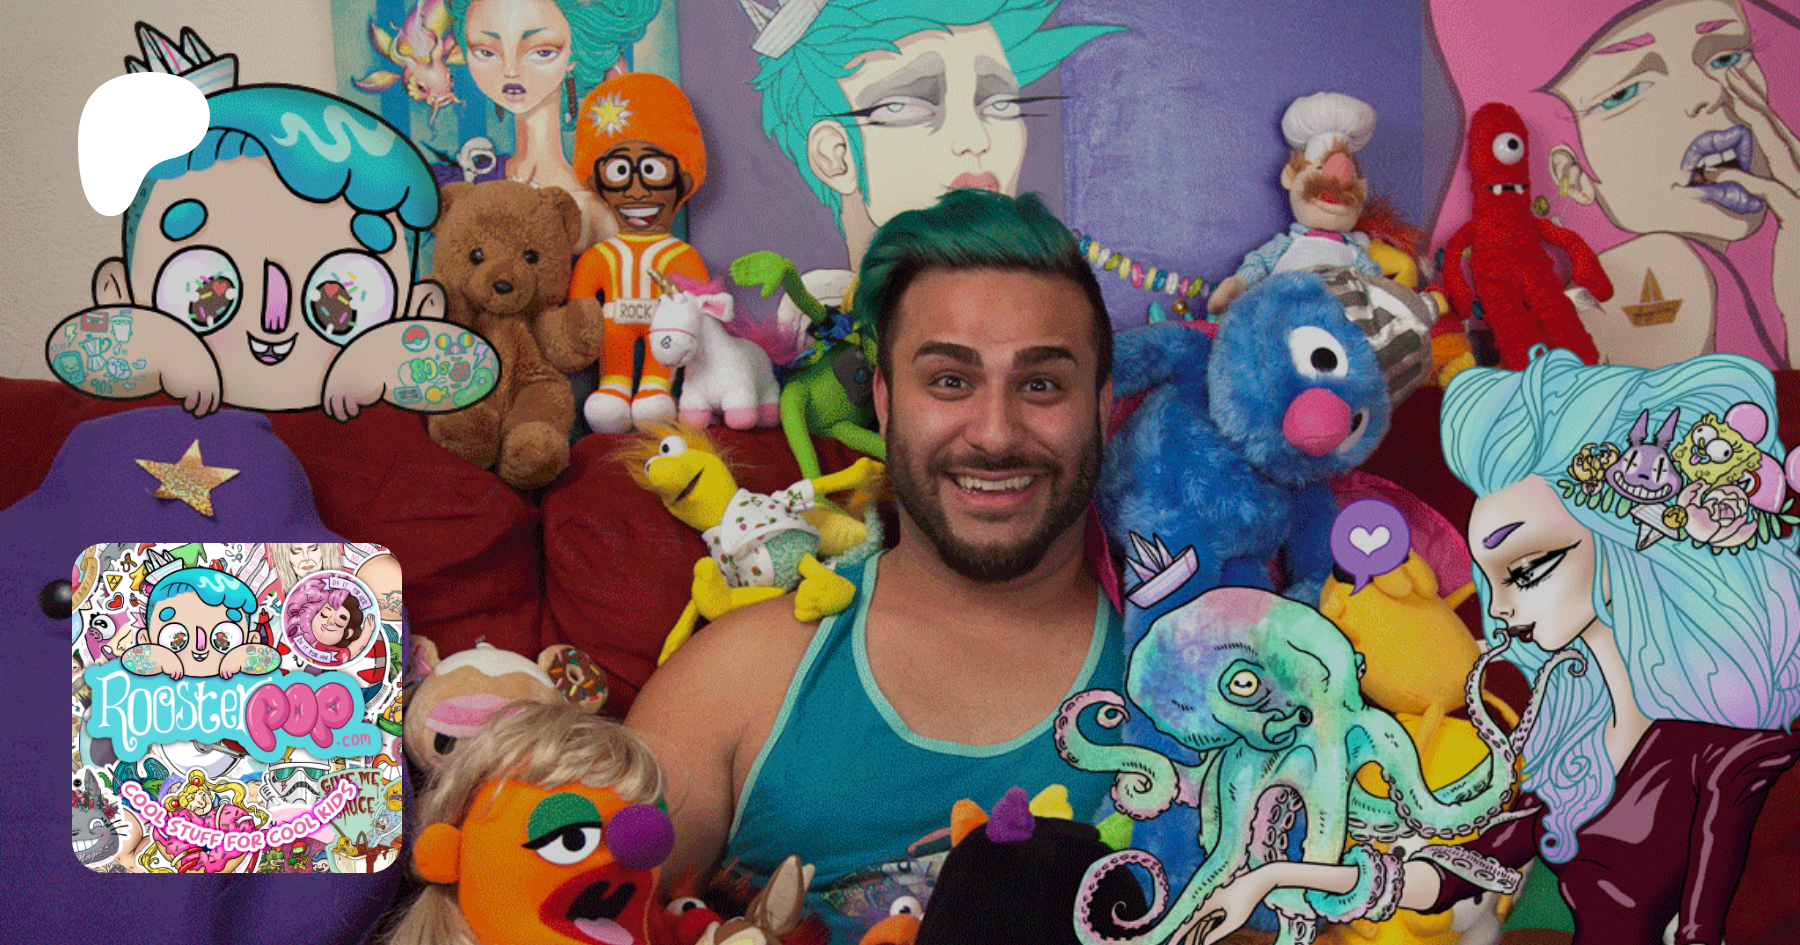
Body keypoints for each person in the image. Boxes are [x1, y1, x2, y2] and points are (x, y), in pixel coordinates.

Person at [625, 189, 1122, 942]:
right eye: (950, 380)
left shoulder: (1204, 679)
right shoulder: (738, 675)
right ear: (884, 402)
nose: (995, 434)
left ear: (1102, 407)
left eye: (1041, 384)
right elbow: (568, 903)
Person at [1193, 348, 1800, 945]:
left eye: (1526, 571)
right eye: (1491, 579)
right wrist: (1272, 880)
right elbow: (1452, 877)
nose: (1500, 609)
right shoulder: (1559, 744)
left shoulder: (1721, 753)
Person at [45, 38, 494, 420]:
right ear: (117, 294)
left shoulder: (383, 430)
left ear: (419, 309)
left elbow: (463, 373)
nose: (271, 327)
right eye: (201, 292)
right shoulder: (107, 426)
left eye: (344, 298)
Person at [1428, 0, 1800, 368]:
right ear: (1571, 174)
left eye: (1726, 58)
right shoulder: (1661, 266)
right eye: (1626, 92)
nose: (1707, 94)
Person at [743, 0, 1118, 332]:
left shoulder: (1047, 302)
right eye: (911, 105)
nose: (975, 139)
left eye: (999, 103)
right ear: (835, 155)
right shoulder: (819, 316)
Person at [440, 0, 664, 250]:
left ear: (574, 54)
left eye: (542, 52)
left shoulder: (594, 213)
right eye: (486, 52)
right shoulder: (461, 180)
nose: (510, 71)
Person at [565, 70, 711, 433]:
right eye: (619, 171)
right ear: (597, 179)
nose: (635, 190)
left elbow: (699, 306)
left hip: (665, 332)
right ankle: (612, 389)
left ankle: (655, 389)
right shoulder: (601, 255)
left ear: (682, 177)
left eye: (652, 170)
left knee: (655, 391)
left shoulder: (679, 255)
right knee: (610, 385)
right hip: (612, 332)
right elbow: (581, 301)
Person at [1206, 92, 1386, 315]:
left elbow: (1376, 285)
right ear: (1290, 177)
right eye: (1319, 169)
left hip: (1336, 321)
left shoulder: (1354, 253)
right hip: (1284, 312)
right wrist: (1238, 283)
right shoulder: (1287, 244)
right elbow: (1260, 263)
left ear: (1362, 190)